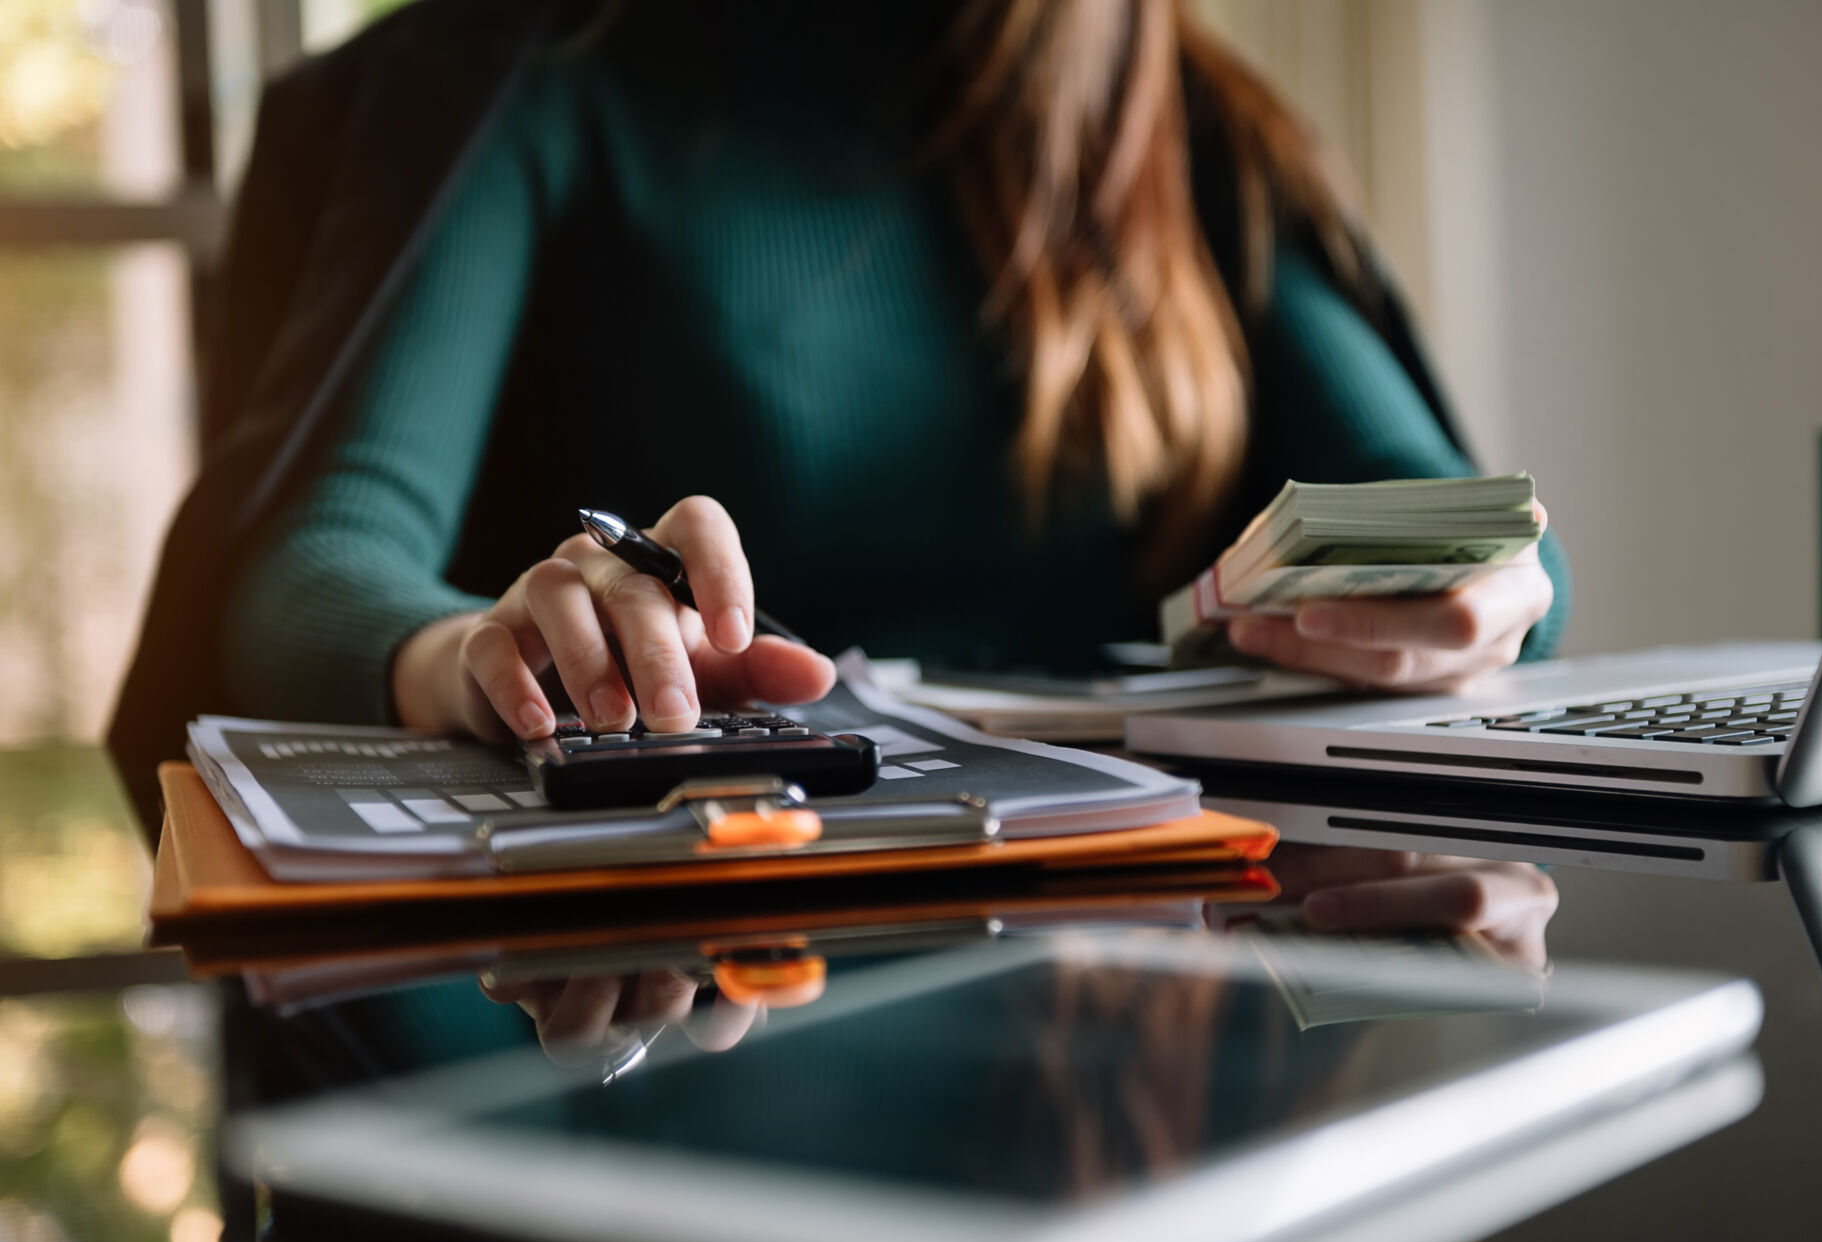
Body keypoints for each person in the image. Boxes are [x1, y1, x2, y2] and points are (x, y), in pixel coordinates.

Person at [218, 0, 1566, 740]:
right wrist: (478, 651)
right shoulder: (511, 70)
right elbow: (306, 560)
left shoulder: (1179, 109)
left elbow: (1449, 523)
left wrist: (1476, 592)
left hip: (1132, 1004)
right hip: (689, 977)